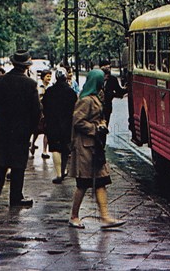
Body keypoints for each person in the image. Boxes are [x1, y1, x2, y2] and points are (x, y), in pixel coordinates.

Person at [0, 50, 41, 208]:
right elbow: (36, 111)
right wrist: (32, 129)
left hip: (2, 127)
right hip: (21, 130)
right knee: (18, 163)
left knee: (0, 159)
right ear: (27, 66)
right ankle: (15, 197)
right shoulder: (30, 84)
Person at [68, 66, 125, 229]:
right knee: (83, 183)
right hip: (85, 147)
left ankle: (105, 217)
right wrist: (95, 128)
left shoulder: (95, 97)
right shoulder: (85, 100)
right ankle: (74, 216)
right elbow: (77, 121)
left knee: (101, 181)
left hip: (95, 147)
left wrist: (102, 124)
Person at [42, 69, 77, 184]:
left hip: (53, 123)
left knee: (55, 148)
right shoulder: (71, 92)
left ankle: (58, 173)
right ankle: (64, 169)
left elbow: (44, 106)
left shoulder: (50, 91)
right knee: (65, 147)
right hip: (67, 123)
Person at [31, 69, 51, 159]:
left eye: (50, 76)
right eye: (47, 76)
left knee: (47, 131)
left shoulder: (50, 87)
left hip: (47, 112)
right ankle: (32, 145)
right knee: (37, 131)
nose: (49, 78)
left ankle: (44, 150)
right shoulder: (39, 87)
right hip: (40, 112)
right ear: (43, 77)